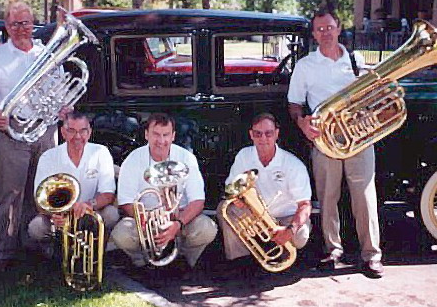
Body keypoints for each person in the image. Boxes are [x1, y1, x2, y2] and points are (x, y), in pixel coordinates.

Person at [287, 7, 383, 277]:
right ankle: (333, 250)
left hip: (358, 138)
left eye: (329, 27)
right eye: (319, 29)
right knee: (328, 197)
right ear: (314, 34)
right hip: (325, 139)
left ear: (339, 28)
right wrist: (302, 122)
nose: (325, 33)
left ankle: (371, 255)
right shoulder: (306, 65)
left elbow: (369, 96)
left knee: (365, 197)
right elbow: (294, 103)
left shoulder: (355, 60)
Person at [0, 1, 59, 270]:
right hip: (12, 131)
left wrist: (63, 105)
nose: (20, 29)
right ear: (7, 27)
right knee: (11, 194)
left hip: (45, 130)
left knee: (44, 191)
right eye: (14, 24)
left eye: (25, 23)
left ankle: (39, 244)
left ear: (32, 24)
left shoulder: (47, 54)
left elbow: (58, 90)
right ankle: (7, 251)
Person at [111, 113, 217, 271]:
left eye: (166, 135)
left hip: (180, 219)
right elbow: (126, 202)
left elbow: (198, 201)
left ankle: (184, 259)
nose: (161, 141)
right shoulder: (133, 159)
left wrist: (177, 223)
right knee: (122, 234)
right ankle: (142, 262)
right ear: (147, 134)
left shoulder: (186, 158)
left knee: (207, 229)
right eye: (156, 134)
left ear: (173, 136)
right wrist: (148, 222)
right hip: (146, 219)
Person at [218, 112, 312, 266]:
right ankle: (241, 262)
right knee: (225, 208)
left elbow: (305, 205)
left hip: (285, 218)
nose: (263, 139)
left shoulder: (293, 164)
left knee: (300, 235)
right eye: (258, 134)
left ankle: (285, 256)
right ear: (251, 135)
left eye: (268, 133)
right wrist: (236, 199)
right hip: (256, 216)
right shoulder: (244, 155)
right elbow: (231, 189)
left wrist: (290, 229)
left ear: (276, 134)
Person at [27, 111, 120, 258]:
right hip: (60, 217)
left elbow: (108, 195)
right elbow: (39, 201)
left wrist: (89, 205)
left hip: (91, 213)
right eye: (71, 131)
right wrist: (54, 215)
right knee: (36, 227)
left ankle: (98, 249)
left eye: (83, 131)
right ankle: (54, 250)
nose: (77, 137)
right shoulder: (48, 156)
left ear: (89, 132)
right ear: (63, 132)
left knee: (111, 214)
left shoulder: (101, 152)